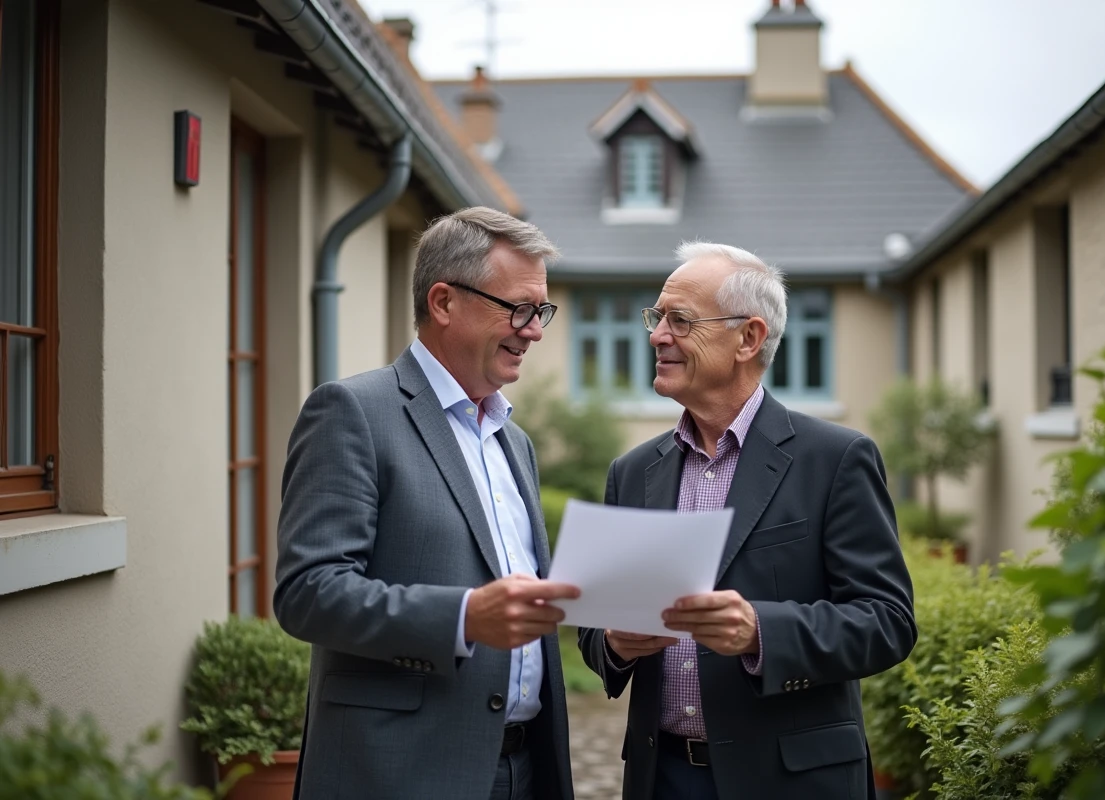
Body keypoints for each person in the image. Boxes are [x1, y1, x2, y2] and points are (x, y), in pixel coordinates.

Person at [578, 242, 917, 800]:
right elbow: (594, 632)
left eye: (680, 320)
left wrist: (761, 631)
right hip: (662, 778)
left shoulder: (836, 458)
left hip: (791, 783)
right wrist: (616, 641)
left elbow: (887, 621)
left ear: (748, 339)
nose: (657, 336)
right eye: (656, 317)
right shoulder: (632, 473)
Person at [275, 207, 580, 800]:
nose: (534, 331)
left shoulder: (514, 441)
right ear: (444, 302)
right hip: (401, 773)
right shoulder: (353, 412)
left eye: (541, 311)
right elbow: (307, 593)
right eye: (519, 309)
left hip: (523, 769)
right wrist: (463, 617)